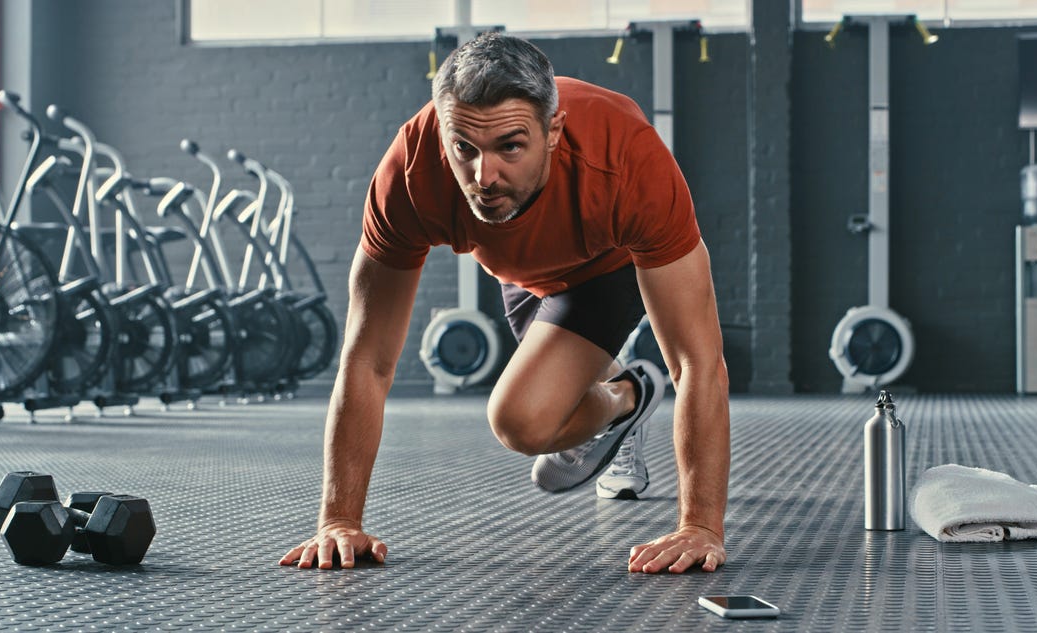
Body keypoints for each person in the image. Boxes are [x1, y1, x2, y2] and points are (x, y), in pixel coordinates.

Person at [279, 32, 729, 574]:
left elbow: (697, 363)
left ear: (554, 131)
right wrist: (338, 521)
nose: (482, 177)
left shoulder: (628, 161)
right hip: (522, 273)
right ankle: (621, 397)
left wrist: (699, 526)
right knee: (547, 403)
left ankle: (625, 399)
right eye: (463, 148)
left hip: (609, 268)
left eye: (510, 147)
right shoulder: (410, 172)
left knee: (521, 422)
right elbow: (367, 360)